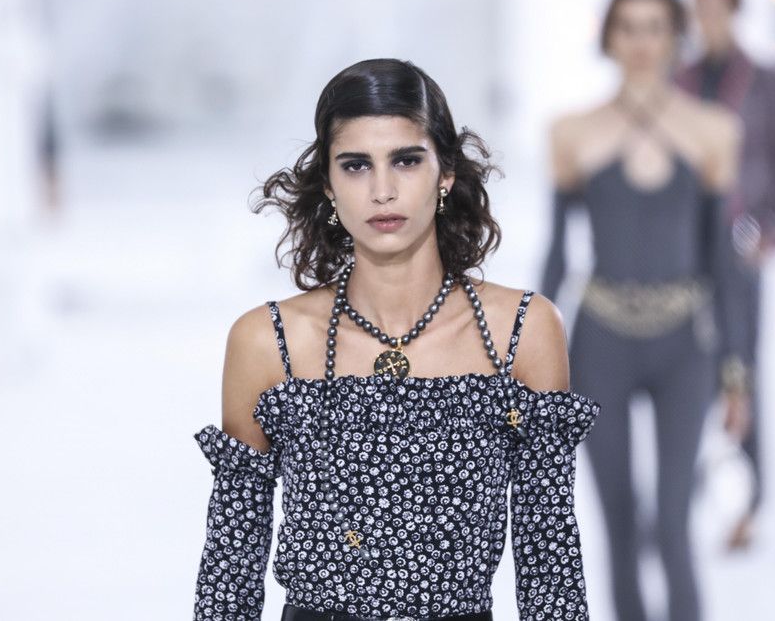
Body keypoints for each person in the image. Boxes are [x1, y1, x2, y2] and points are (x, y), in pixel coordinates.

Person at [192, 58, 601, 621]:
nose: (382, 191)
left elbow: (549, 564)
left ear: (446, 174)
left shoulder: (520, 332)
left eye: (406, 160)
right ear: (329, 185)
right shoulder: (267, 341)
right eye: (356, 165)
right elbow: (230, 573)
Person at [539, 0, 747, 621]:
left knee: (676, 518)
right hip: (600, 342)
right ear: (609, 36)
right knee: (619, 522)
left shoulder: (712, 131)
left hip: (683, 344)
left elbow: (722, 263)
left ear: (675, 36)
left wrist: (737, 371)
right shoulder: (572, 132)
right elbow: (556, 255)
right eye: (628, 27)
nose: (641, 41)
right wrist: (526, 358)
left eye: (655, 27)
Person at [675, 0, 775, 551]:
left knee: (741, 371)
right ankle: (683, 498)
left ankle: (745, 505)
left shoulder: (771, 85)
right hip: (682, 251)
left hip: (737, 248)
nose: (707, 17)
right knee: (686, 374)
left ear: (734, 9)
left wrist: (770, 233)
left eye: (716, 5)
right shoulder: (677, 81)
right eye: (698, 6)